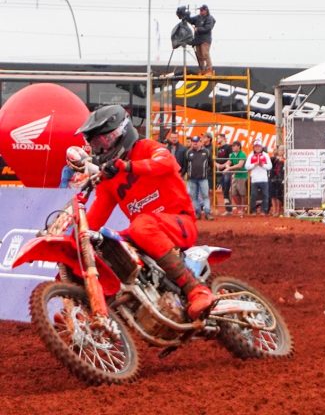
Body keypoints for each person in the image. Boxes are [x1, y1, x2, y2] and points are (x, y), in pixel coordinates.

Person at [77, 105, 214, 319]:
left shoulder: (147, 147)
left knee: (141, 225)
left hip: (179, 223)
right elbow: (94, 219)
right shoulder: (109, 180)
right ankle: (85, 313)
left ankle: (196, 289)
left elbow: (166, 162)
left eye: (105, 141)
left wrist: (128, 166)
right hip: (146, 234)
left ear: (121, 132)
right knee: (104, 241)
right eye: (95, 144)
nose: (101, 149)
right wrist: (73, 239)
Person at [184, 136, 214, 220]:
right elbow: (185, 166)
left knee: (205, 196)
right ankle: (198, 212)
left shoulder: (206, 152)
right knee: (194, 197)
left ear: (200, 142)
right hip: (192, 179)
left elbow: (211, 164)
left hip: (203, 178)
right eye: (193, 142)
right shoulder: (188, 153)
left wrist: (208, 173)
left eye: (196, 142)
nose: (195, 143)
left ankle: (207, 213)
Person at [185, 4, 216, 75]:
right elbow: (190, 20)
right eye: (200, 10)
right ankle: (202, 70)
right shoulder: (198, 17)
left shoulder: (209, 18)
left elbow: (208, 28)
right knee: (199, 56)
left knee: (205, 53)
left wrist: (198, 29)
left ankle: (209, 70)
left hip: (205, 40)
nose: (200, 11)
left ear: (206, 10)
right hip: (198, 40)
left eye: (202, 10)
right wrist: (187, 15)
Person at [245, 138, 272, 215]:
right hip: (254, 179)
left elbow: (269, 166)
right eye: (256, 146)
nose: (257, 148)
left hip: (264, 179)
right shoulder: (250, 155)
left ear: (261, 147)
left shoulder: (266, 155)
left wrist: (262, 164)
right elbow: (247, 167)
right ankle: (253, 210)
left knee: (265, 195)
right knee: (253, 195)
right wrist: (255, 164)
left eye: (259, 146)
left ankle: (264, 210)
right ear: (253, 147)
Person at [225, 141, 248, 214]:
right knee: (233, 193)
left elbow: (240, 165)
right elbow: (228, 163)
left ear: (239, 146)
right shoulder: (232, 155)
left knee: (242, 193)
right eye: (232, 146)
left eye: (234, 146)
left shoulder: (242, 154)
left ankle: (243, 208)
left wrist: (229, 168)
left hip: (242, 176)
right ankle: (239, 207)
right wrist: (227, 166)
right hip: (235, 175)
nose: (233, 147)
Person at [215, 133, 232, 216]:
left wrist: (224, 165)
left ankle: (229, 208)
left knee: (226, 188)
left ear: (223, 138)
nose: (217, 140)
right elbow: (214, 159)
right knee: (224, 190)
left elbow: (230, 158)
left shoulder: (228, 147)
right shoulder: (218, 148)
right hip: (220, 171)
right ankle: (228, 209)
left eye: (218, 138)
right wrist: (217, 165)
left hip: (227, 170)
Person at [269, 145, 286, 217]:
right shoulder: (273, 159)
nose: (281, 151)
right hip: (273, 178)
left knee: (279, 196)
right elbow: (270, 162)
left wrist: (282, 160)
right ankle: (274, 210)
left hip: (281, 179)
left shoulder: (285, 159)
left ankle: (279, 210)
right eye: (280, 150)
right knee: (273, 196)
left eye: (283, 150)